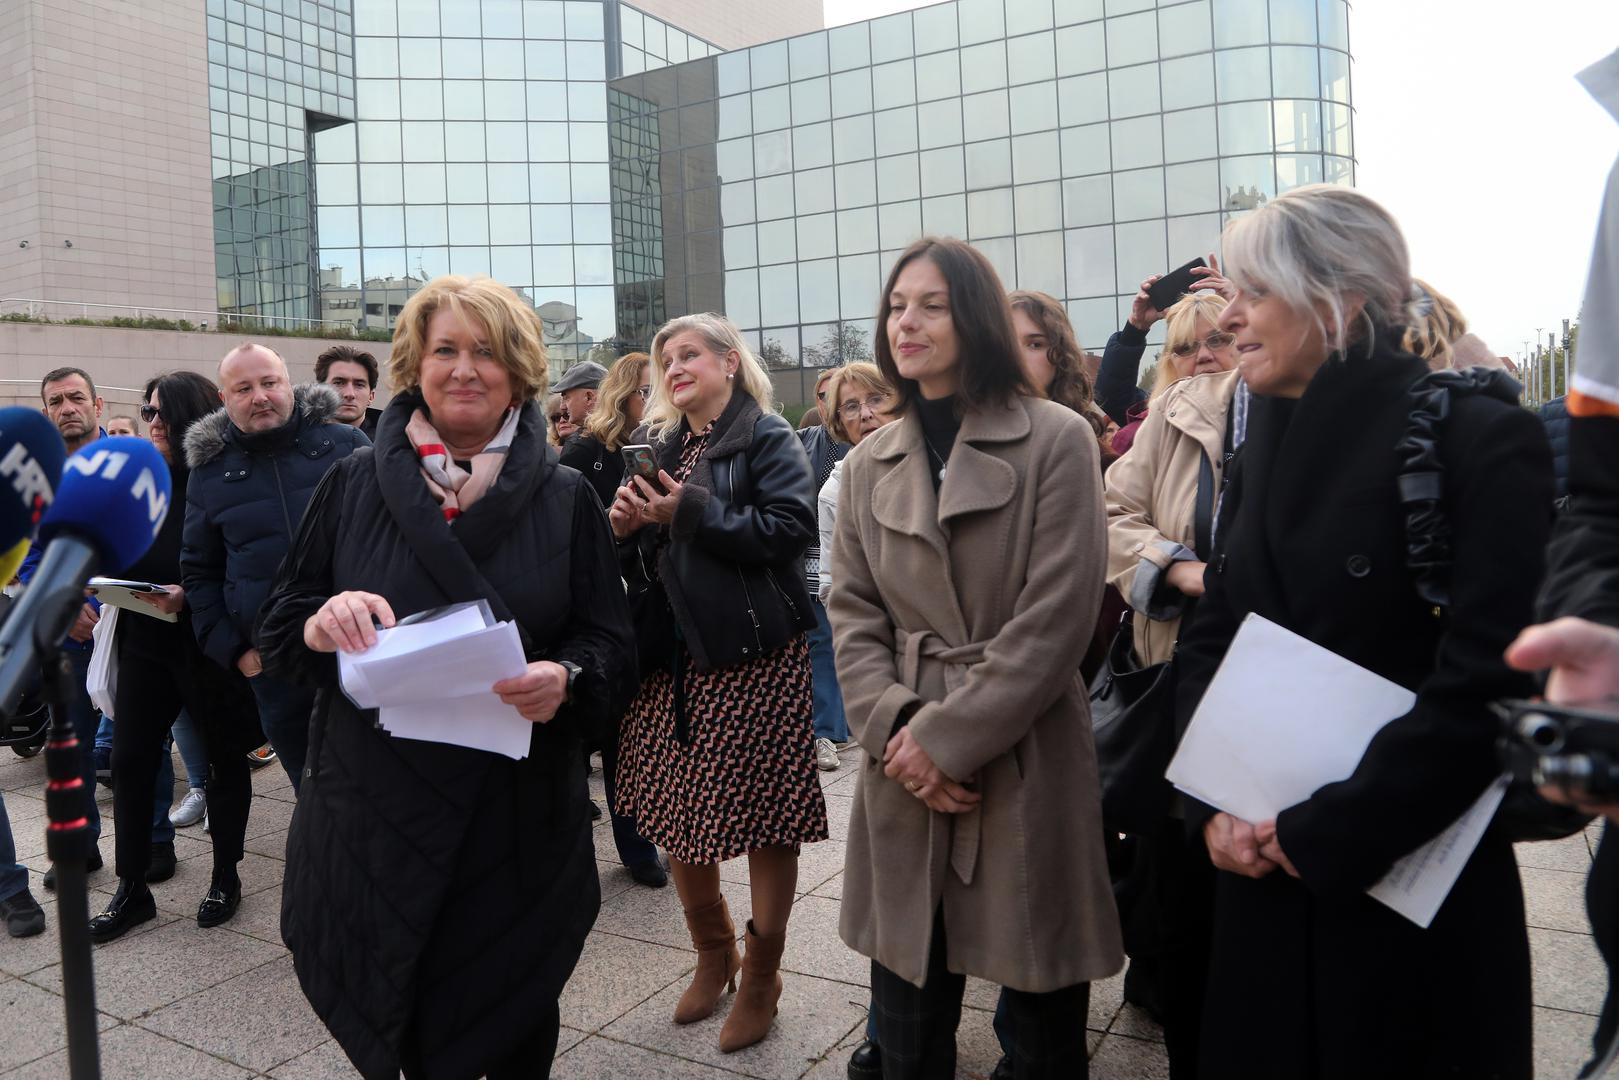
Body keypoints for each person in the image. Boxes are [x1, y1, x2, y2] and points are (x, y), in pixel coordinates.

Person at [1172, 185, 1551, 1079]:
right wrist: (1208, 808)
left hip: (1406, 882)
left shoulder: (1477, 436)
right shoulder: (1261, 430)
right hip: (1260, 870)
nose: (1227, 318)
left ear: (1336, 299)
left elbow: (1489, 683)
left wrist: (1332, 832)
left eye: (1251, 291)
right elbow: (1215, 626)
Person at [256, 274, 637, 1079]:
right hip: (374, 814)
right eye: (445, 350)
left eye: (487, 352)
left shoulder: (566, 497)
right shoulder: (352, 484)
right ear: (414, 366)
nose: (465, 369)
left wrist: (567, 675)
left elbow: (612, 643)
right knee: (407, 1026)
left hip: (514, 821)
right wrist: (322, 624)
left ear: (520, 371)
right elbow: (281, 631)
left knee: (511, 1025)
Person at [829, 236, 1123, 1079]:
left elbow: (1057, 617)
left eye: (932, 304)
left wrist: (946, 742)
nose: (906, 322)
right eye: (895, 305)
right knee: (906, 1010)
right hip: (903, 746)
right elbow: (851, 611)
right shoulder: (865, 463)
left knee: (1038, 1011)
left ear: (977, 316)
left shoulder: (1056, 438)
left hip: (1022, 746)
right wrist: (897, 733)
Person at [610, 312, 828, 1054]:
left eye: (688, 353)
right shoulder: (665, 445)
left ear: (728, 362)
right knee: (676, 811)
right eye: (664, 358)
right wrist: (631, 526)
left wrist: (688, 511)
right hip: (668, 657)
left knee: (765, 815)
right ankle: (714, 953)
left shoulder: (764, 435)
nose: (673, 366)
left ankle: (762, 975)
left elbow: (790, 529)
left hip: (751, 654)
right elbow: (655, 557)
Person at [88, 371, 265, 943]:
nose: (154, 422)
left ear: (193, 414)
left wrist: (190, 593)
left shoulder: (222, 477)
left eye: (163, 411)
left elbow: (245, 559)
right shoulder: (146, 481)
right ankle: (132, 887)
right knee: (131, 761)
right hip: (143, 638)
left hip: (206, 643)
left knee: (220, 761)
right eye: (147, 411)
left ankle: (225, 875)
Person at [182, 344, 369, 794]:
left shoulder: (348, 446)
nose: (260, 396)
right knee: (315, 792)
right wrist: (235, 653)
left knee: (385, 787)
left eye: (269, 383)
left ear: (289, 384)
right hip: (277, 668)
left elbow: (394, 539)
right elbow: (199, 573)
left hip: (363, 648)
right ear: (225, 400)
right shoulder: (208, 474)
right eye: (244, 388)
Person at [27, 368, 174, 890]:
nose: (67, 407)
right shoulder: (36, 475)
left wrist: (111, 599)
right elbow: (27, 556)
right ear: (45, 412)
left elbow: (156, 539)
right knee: (70, 743)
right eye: (56, 401)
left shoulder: (138, 462)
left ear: (97, 402)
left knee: (142, 740)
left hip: (132, 627)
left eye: (75, 398)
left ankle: (155, 838)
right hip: (67, 635)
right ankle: (81, 843)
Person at [557, 351, 667, 886]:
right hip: (590, 610)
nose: (654, 400)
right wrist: (613, 525)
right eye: (646, 390)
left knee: (631, 738)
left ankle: (637, 845)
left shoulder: (665, 445)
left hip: (641, 604)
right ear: (622, 394)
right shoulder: (583, 451)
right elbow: (561, 531)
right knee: (587, 731)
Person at [1094, 259, 1227, 427]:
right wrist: (1135, 328)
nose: (1204, 355)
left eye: (1216, 340)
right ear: (1170, 361)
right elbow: (1112, 397)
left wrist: (1244, 312)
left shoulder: (1266, 410)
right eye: (1186, 347)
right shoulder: (1160, 423)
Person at [798, 368, 852, 772]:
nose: (828, 400)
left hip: (865, 565)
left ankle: (842, 723)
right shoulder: (803, 442)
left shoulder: (874, 440)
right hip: (815, 565)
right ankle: (826, 732)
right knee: (822, 644)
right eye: (823, 394)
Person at [559, 352, 651, 508]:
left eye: (659, 392)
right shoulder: (582, 447)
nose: (656, 400)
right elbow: (568, 518)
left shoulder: (661, 442)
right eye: (647, 392)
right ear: (621, 397)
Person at [316, 344, 381, 439]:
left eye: (359, 385)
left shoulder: (392, 446)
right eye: (338, 383)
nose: (349, 394)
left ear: (371, 396)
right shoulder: (294, 441)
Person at [554, 360, 606, 433]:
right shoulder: (619, 432)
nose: (562, 407)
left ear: (589, 397)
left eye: (567, 398)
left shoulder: (584, 442)